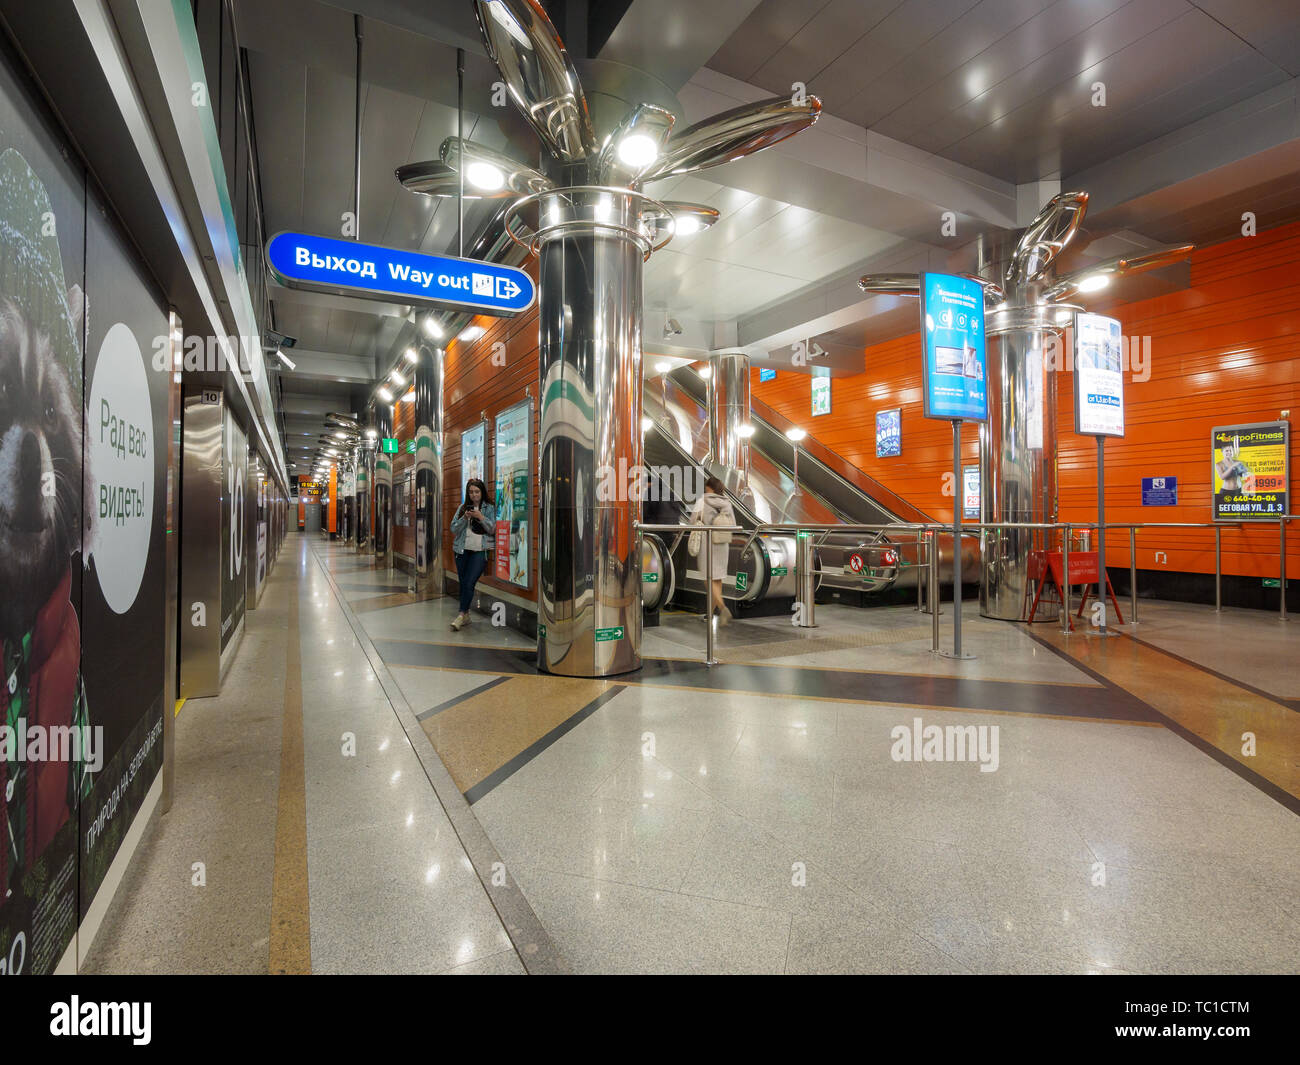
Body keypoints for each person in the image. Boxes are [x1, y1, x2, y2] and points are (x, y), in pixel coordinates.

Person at [450, 478, 494, 631]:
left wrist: (481, 517)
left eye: (477, 491)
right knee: (463, 584)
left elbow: (493, 529)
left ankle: (461, 615)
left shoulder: (489, 508)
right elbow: (453, 529)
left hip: (480, 551)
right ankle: (466, 615)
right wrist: (465, 518)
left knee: (469, 583)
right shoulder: (463, 508)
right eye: (471, 492)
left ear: (482, 492)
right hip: (461, 551)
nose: (474, 495)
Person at [692, 475, 736, 625]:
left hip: (706, 542)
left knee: (708, 578)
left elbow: (693, 521)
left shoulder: (702, 501)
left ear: (709, 487)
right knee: (717, 578)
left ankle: (723, 608)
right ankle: (710, 613)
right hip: (723, 543)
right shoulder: (727, 503)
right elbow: (733, 524)